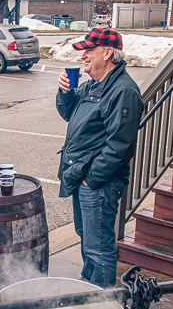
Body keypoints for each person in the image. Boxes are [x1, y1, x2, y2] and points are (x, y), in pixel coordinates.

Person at [56, 28, 143, 288]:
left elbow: (120, 146)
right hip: (83, 175)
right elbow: (69, 113)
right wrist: (65, 92)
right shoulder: (93, 85)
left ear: (107, 53)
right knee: (87, 238)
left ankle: (103, 305)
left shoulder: (123, 91)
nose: (83, 56)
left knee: (99, 247)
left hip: (98, 181)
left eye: (89, 50)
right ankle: (89, 288)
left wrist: (91, 179)